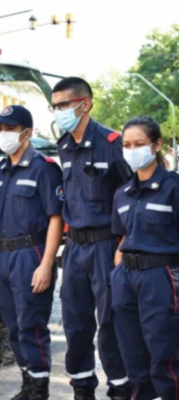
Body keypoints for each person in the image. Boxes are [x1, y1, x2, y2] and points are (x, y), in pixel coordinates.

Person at [53, 77, 133, 400]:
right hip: (74, 248)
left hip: (106, 246)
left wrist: (126, 243)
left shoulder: (113, 143)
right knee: (74, 322)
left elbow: (133, 195)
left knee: (112, 324)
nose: (58, 111)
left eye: (64, 105)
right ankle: (82, 388)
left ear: (84, 104)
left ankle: (121, 388)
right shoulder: (63, 145)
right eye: (54, 106)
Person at [0, 105, 64, 400]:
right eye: (1, 129)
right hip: (5, 256)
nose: (4, 135)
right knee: (14, 326)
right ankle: (27, 381)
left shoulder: (44, 168)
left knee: (32, 323)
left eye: (10, 129)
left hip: (31, 254)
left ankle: (39, 388)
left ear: (27, 133)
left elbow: (56, 218)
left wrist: (46, 264)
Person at [110, 116, 179, 400]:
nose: (132, 150)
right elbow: (122, 238)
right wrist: (119, 275)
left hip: (160, 277)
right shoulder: (122, 194)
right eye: (127, 145)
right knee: (133, 355)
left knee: (165, 355)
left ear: (156, 145)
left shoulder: (173, 187)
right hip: (127, 279)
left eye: (139, 144)